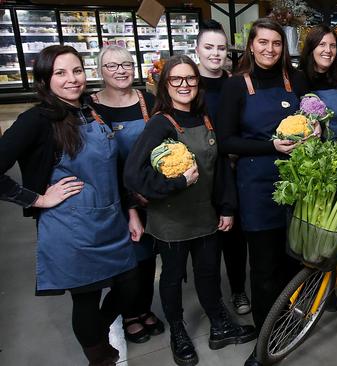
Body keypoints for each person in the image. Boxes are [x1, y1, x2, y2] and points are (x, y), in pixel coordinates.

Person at [0, 45, 139, 366]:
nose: (71, 79)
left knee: (131, 285)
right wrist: (37, 198)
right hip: (71, 228)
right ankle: (98, 355)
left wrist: (130, 210)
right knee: (87, 299)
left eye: (76, 70)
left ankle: (96, 333)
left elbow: (114, 168)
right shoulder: (35, 120)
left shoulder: (90, 109)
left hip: (110, 218)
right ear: (45, 79)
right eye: (60, 73)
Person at [124, 55, 255, 366]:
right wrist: (176, 183)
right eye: (176, 79)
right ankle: (178, 332)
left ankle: (219, 326)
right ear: (165, 85)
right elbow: (133, 173)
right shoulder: (160, 123)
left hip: (206, 215)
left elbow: (221, 166)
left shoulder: (206, 118)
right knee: (171, 278)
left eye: (190, 79)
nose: (185, 85)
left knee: (208, 274)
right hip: (172, 220)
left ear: (198, 83)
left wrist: (226, 207)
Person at [217, 18, 308, 366]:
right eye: (263, 42)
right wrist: (273, 146)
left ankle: (286, 321)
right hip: (257, 186)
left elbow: (313, 119)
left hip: (299, 181)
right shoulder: (236, 86)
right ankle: (265, 342)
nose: (269, 49)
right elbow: (225, 140)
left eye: (276, 43)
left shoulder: (295, 80)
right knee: (265, 265)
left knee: (292, 257)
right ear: (250, 45)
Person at [90, 45, 165, 344]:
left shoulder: (148, 100)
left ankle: (143, 307)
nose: (120, 71)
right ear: (100, 72)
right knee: (127, 259)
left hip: (149, 190)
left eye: (126, 64)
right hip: (113, 194)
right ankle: (128, 313)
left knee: (147, 258)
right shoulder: (91, 106)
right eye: (111, 66)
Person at [196, 19, 251, 316]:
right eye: (209, 47)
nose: (215, 54)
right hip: (199, 172)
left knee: (234, 234)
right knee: (206, 240)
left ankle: (239, 289)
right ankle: (212, 300)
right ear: (197, 50)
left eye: (221, 48)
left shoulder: (235, 82)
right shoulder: (188, 83)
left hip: (231, 168)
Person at [299, 24, 337, 140]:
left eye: (333, 46)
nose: (328, 50)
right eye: (322, 45)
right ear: (311, 48)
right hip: (310, 152)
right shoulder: (299, 79)